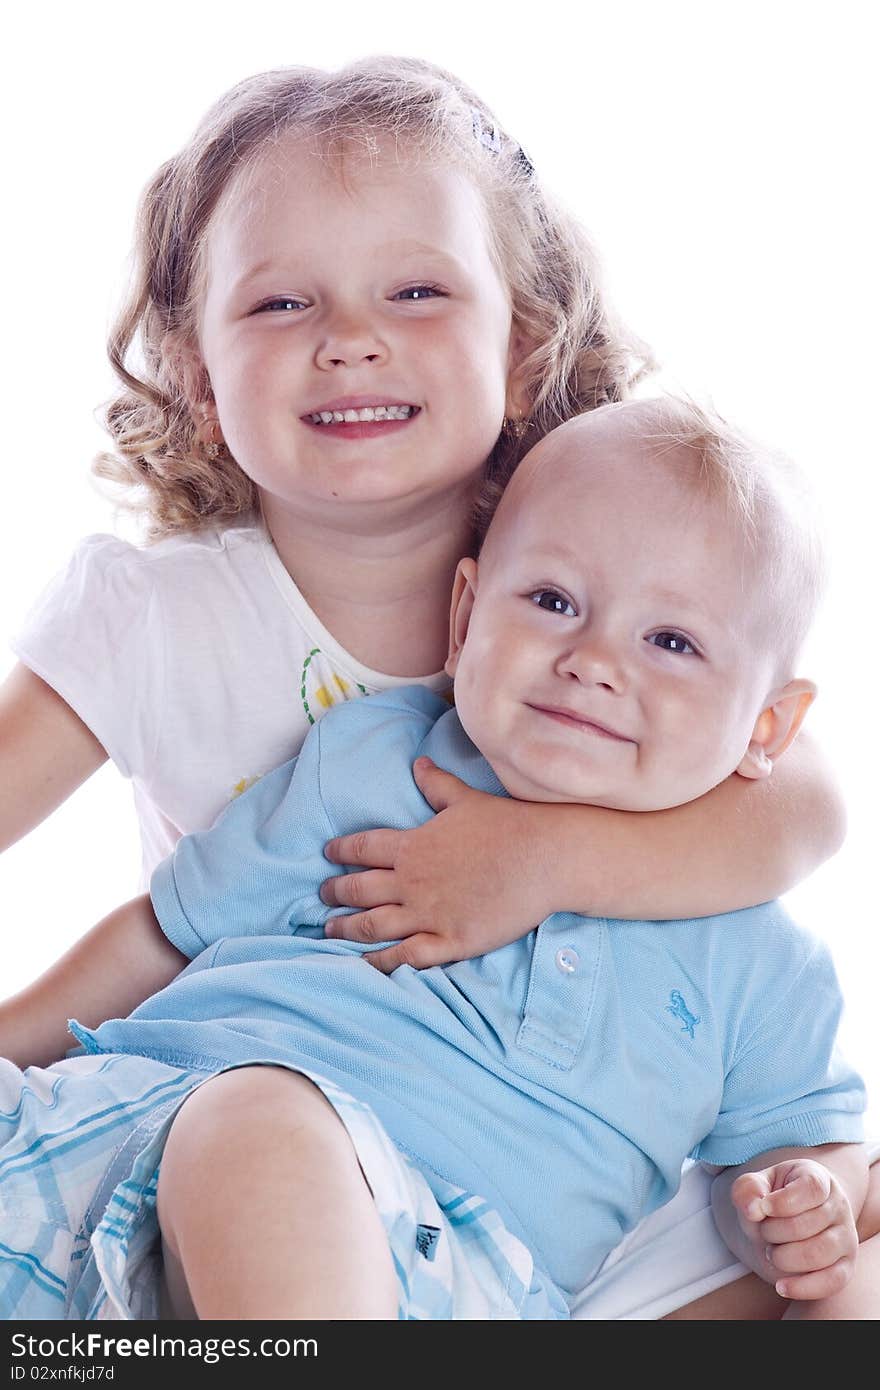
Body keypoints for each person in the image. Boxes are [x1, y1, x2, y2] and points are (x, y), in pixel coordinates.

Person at [0, 58, 848, 1319]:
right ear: (194, 370)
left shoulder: (629, 541)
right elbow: (156, 936)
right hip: (226, 1107)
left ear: (522, 347)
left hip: (499, 1210)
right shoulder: (214, 649)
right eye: (283, 301)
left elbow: (803, 807)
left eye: (415, 289)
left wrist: (536, 860)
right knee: (259, 1131)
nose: (349, 338)